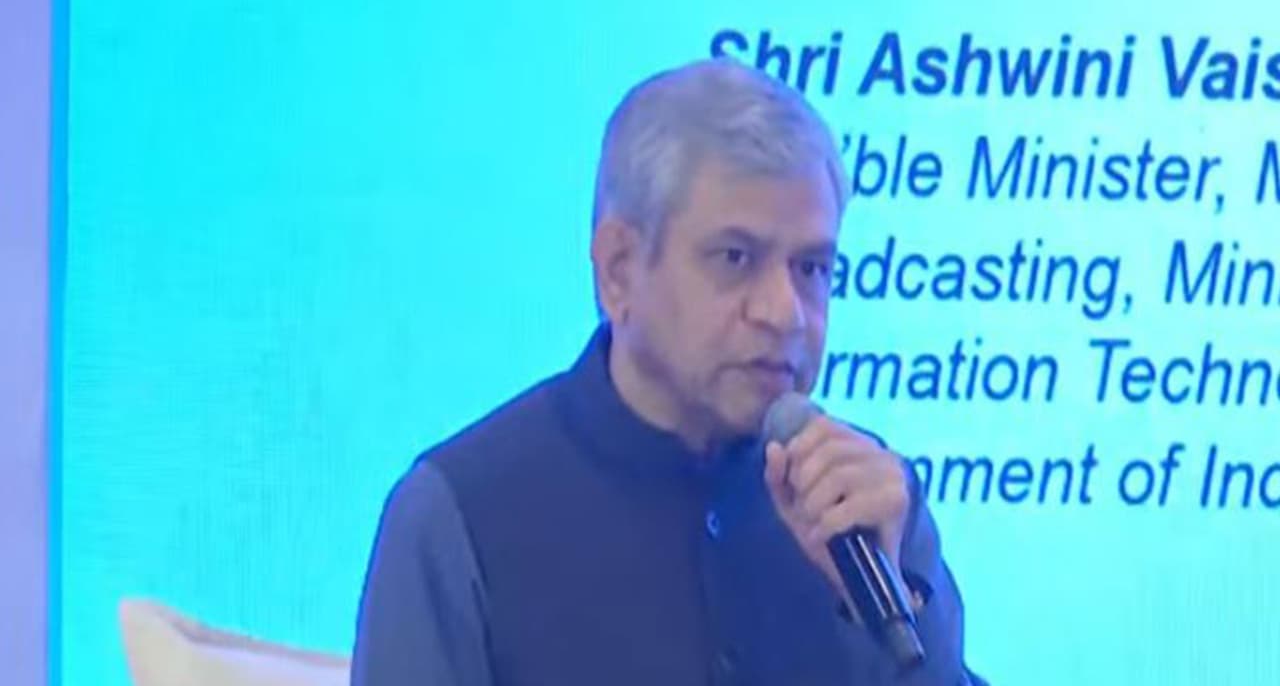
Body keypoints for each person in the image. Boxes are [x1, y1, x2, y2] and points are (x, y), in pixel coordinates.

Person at [352, 57, 986, 685]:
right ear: (620, 269)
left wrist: (896, 605)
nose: (785, 313)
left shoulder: (863, 505)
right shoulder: (460, 515)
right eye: (735, 257)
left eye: (812, 269)